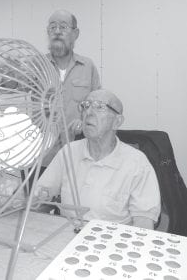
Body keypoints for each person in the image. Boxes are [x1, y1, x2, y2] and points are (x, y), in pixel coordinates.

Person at [34, 89, 161, 230]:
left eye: (100, 107)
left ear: (117, 122)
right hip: (65, 234)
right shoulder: (69, 152)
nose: (88, 112)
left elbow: (144, 222)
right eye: (86, 106)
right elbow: (40, 197)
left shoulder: (137, 163)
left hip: (110, 242)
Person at [42, 9, 101, 167]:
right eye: (52, 27)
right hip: (42, 158)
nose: (57, 32)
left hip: (79, 155)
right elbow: (10, 87)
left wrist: (84, 120)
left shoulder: (87, 67)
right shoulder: (38, 66)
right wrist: (8, 75)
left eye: (63, 27)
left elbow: (98, 106)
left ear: (75, 34)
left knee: (76, 192)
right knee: (41, 192)